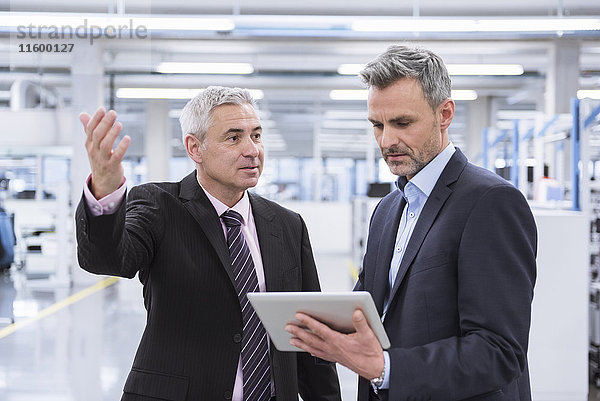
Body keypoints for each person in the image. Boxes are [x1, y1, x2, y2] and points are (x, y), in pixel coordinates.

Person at [285, 45, 537, 401]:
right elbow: (375, 309)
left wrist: (385, 369)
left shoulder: (490, 202)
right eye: (377, 125)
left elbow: (499, 352)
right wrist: (316, 325)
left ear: (444, 113)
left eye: (402, 123)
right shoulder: (387, 210)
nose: (387, 141)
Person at [75, 86, 342, 401]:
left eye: (256, 136)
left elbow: (310, 335)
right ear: (195, 148)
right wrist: (105, 192)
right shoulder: (158, 205)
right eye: (233, 137)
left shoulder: (286, 224)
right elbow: (108, 259)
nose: (252, 150)